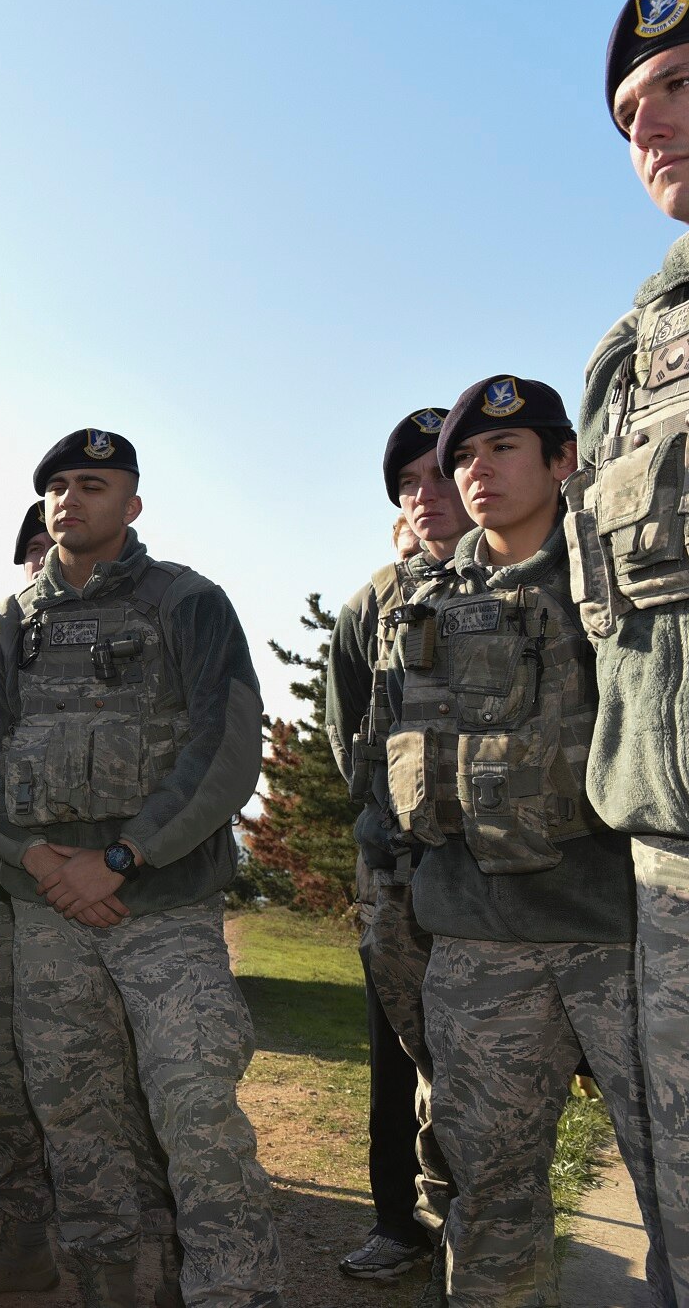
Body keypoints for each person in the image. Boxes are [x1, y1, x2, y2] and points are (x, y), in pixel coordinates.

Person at [0, 430, 282, 1307]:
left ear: (131, 505)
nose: (70, 499)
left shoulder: (189, 603)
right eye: (57, 485)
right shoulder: (2, 625)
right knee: (74, 1120)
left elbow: (222, 747)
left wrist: (121, 859)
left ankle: (233, 1291)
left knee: (194, 1109)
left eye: (92, 484)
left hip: (163, 908)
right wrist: (37, 859)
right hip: (48, 908)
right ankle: (106, 1286)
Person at [385, 376, 669, 1307]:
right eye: (464, 455)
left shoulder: (624, 586)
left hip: (619, 935)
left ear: (564, 461)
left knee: (674, 1185)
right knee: (492, 1191)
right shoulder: (421, 601)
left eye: (503, 449)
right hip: (475, 938)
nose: (477, 471)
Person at [0, 495, 181, 1305]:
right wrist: (29, 862)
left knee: (139, 1087)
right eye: (33, 548)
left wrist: (101, 870)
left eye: (54, 544)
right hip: (9, 908)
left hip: (120, 898)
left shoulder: (141, 640)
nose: (47, 557)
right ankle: (19, 1243)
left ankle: (175, 1253)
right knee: (14, 1086)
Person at [568, 0, 689, 1300]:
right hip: (668, 873)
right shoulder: (628, 355)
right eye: (627, 110)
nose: (648, 122)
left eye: (677, 83)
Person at [325, 409, 468, 1282]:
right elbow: (350, 740)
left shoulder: (537, 580)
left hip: (498, 873)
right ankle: (396, 1221)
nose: (427, 494)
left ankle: (473, 1218)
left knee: (480, 1053)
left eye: (440, 474)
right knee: (396, 1053)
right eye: (410, 483)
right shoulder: (370, 603)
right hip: (398, 878)